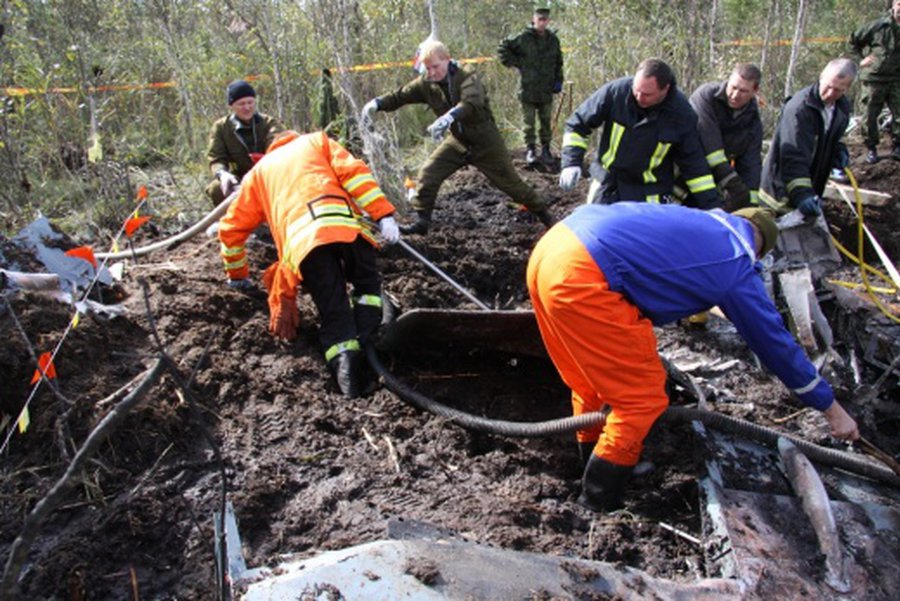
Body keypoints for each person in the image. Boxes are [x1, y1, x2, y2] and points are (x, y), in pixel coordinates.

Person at [527, 202, 859, 512]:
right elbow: (776, 346)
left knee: (589, 382)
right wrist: (829, 407)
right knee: (641, 399)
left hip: (551, 249)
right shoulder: (736, 262)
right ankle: (599, 499)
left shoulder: (700, 223)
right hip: (584, 275)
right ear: (760, 250)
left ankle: (592, 462)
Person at [218, 130, 400, 398]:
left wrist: (237, 274)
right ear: (293, 136)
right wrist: (383, 213)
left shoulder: (259, 173)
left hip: (307, 245)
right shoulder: (317, 141)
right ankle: (373, 344)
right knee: (368, 292)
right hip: (350, 231)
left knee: (334, 310)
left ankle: (349, 380)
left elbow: (231, 229)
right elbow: (354, 173)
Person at [362, 39, 556, 235]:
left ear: (447, 59)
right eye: (427, 68)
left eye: (436, 67)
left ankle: (547, 217)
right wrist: (376, 104)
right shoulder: (427, 83)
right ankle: (422, 222)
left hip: (485, 142)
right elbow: (401, 96)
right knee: (428, 173)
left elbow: (472, 102)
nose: (432, 73)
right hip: (458, 141)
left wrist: (449, 117)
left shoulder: (466, 74)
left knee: (513, 186)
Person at [559, 58, 719, 208]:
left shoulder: (682, 115)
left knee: (646, 238)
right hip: (608, 184)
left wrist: (712, 206)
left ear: (666, 89)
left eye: (647, 94)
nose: (639, 97)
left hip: (650, 192)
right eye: (636, 90)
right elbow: (577, 124)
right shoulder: (617, 92)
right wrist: (571, 162)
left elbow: (693, 163)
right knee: (596, 231)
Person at [761, 59, 857, 217]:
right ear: (821, 77)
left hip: (810, 187)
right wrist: (802, 194)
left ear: (847, 88)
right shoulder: (800, 109)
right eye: (828, 86)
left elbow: (829, 138)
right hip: (780, 195)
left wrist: (838, 150)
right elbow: (793, 156)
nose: (830, 94)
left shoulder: (842, 109)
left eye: (838, 90)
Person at [679, 63, 764, 211]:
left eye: (743, 91)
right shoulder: (706, 97)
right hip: (682, 175)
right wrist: (732, 182)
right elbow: (710, 148)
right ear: (728, 80)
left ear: (755, 91)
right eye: (733, 87)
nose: (735, 95)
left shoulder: (753, 122)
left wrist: (750, 207)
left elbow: (751, 166)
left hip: (714, 184)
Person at [497, 2, 564, 166]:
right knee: (529, 123)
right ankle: (531, 150)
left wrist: (558, 81)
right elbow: (503, 48)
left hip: (546, 89)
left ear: (548, 21)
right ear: (533, 19)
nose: (542, 22)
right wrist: (516, 65)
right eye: (540, 19)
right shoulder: (523, 38)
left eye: (545, 19)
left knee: (546, 122)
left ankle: (546, 150)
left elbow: (558, 62)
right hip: (528, 88)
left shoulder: (553, 40)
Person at [205, 79, 284, 206]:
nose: (247, 108)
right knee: (216, 188)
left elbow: (278, 145)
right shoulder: (221, 127)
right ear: (231, 106)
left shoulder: (269, 123)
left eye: (250, 102)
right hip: (239, 179)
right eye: (241, 104)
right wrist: (223, 174)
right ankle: (231, 223)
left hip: (269, 175)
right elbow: (216, 158)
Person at [849, 0, 900, 164]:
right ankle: (871, 148)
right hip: (874, 79)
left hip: (896, 78)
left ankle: (898, 146)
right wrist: (862, 59)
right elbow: (853, 41)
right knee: (870, 116)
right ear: (893, 5)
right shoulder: (878, 26)